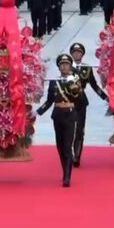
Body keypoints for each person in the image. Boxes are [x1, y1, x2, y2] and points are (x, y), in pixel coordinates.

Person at [37, 53, 82, 187]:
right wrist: (38, 112)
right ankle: (65, 169)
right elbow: (50, 101)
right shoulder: (54, 81)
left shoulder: (75, 80)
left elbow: (78, 97)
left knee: (68, 146)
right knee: (60, 146)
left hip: (69, 115)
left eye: (66, 64)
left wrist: (71, 85)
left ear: (70, 66)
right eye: (62, 65)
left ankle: (67, 176)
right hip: (58, 115)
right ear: (59, 67)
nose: (64, 67)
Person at [69, 42, 107, 167]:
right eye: (74, 52)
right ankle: (68, 153)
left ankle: (77, 156)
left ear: (82, 54)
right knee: (69, 130)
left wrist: (106, 98)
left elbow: (94, 85)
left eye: (79, 52)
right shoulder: (66, 67)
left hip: (81, 102)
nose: (76, 54)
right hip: (67, 101)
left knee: (80, 130)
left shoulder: (87, 68)